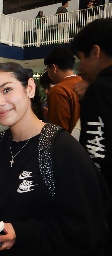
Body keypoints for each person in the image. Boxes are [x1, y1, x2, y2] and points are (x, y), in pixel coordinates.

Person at [0, 62, 110, 255]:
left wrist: (22, 234)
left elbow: (87, 228)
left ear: (30, 88)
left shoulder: (61, 148)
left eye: (7, 89)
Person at [71, 18, 112, 248]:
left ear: (95, 51)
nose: (81, 68)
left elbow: (97, 154)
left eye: (81, 58)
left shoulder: (100, 90)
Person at [44, 47, 81, 133]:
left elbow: (58, 131)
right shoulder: (84, 83)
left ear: (54, 68)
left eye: (47, 69)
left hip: (69, 144)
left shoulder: (58, 91)